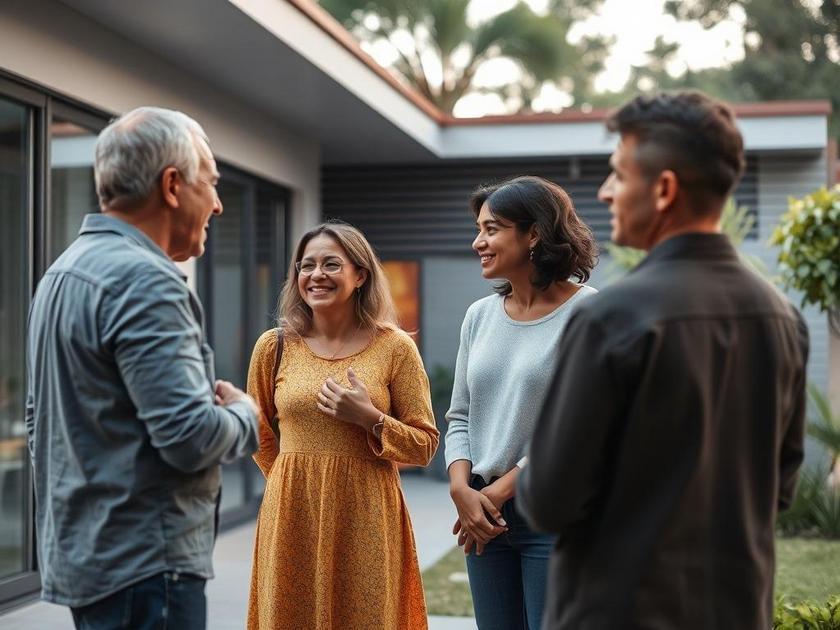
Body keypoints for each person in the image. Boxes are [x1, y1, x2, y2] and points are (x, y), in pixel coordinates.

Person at [517, 91, 809, 630]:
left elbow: (550, 502)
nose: (605, 193)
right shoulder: (783, 318)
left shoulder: (612, 319)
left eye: (619, 175)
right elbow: (779, 487)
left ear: (665, 190)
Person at [24, 107, 259, 629]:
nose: (218, 205)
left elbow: (40, 423)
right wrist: (247, 415)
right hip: (148, 570)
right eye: (212, 184)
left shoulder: (61, 273)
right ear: (172, 185)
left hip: (91, 562)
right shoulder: (146, 281)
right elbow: (189, 437)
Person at [246, 220, 439, 629]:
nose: (316, 275)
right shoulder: (274, 346)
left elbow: (424, 446)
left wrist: (370, 419)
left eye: (331, 264)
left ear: (360, 275)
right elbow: (256, 427)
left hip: (367, 511)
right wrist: (288, 476)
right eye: (306, 265)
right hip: (291, 510)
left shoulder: (395, 347)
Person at [444, 176, 598, 629]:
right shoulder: (479, 316)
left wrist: (499, 490)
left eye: (492, 229)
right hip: (483, 516)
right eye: (479, 228)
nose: (478, 241)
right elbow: (460, 416)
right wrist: (460, 489)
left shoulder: (588, 314)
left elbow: (581, 429)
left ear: (533, 234)